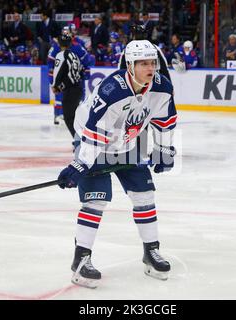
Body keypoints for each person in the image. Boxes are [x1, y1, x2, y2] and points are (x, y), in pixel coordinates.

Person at [57, 40, 177, 289]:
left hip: (128, 142)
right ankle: (81, 259)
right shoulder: (112, 89)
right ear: (130, 65)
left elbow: (165, 121)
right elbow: (95, 131)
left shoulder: (161, 87)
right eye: (143, 63)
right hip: (93, 141)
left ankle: (151, 251)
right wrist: (80, 165)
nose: (150, 68)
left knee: (144, 195)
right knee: (96, 199)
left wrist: (164, 150)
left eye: (152, 62)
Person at [51, 33, 83, 139]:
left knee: (69, 117)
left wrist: (55, 86)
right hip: (78, 89)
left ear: (59, 43)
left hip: (70, 91)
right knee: (73, 117)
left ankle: (79, 141)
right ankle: (80, 140)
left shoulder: (61, 55)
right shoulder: (75, 55)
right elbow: (80, 72)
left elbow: (57, 71)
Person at [47, 38, 63, 124]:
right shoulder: (55, 47)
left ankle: (61, 114)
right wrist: (52, 74)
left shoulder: (68, 47)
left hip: (62, 75)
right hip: (55, 75)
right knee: (58, 96)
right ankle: (57, 115)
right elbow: (50, 63)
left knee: (62, 96)